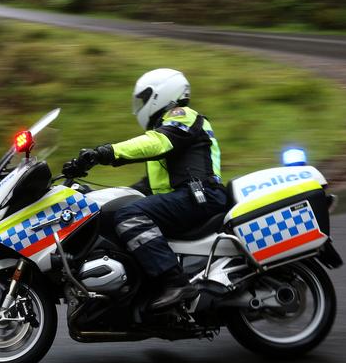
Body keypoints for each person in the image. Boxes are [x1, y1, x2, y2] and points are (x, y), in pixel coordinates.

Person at [62, 68, 227, 311]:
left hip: (200, 195)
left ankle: (175, 282)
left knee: (130, 216)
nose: (139, 106)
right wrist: (91, 195)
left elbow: (156, 142)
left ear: (161, 93)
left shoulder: (181, 116)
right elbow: (146, 187)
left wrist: (105, 152)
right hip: (186, 197)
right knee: (112, 212)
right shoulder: (166, 131)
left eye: (143, 98)